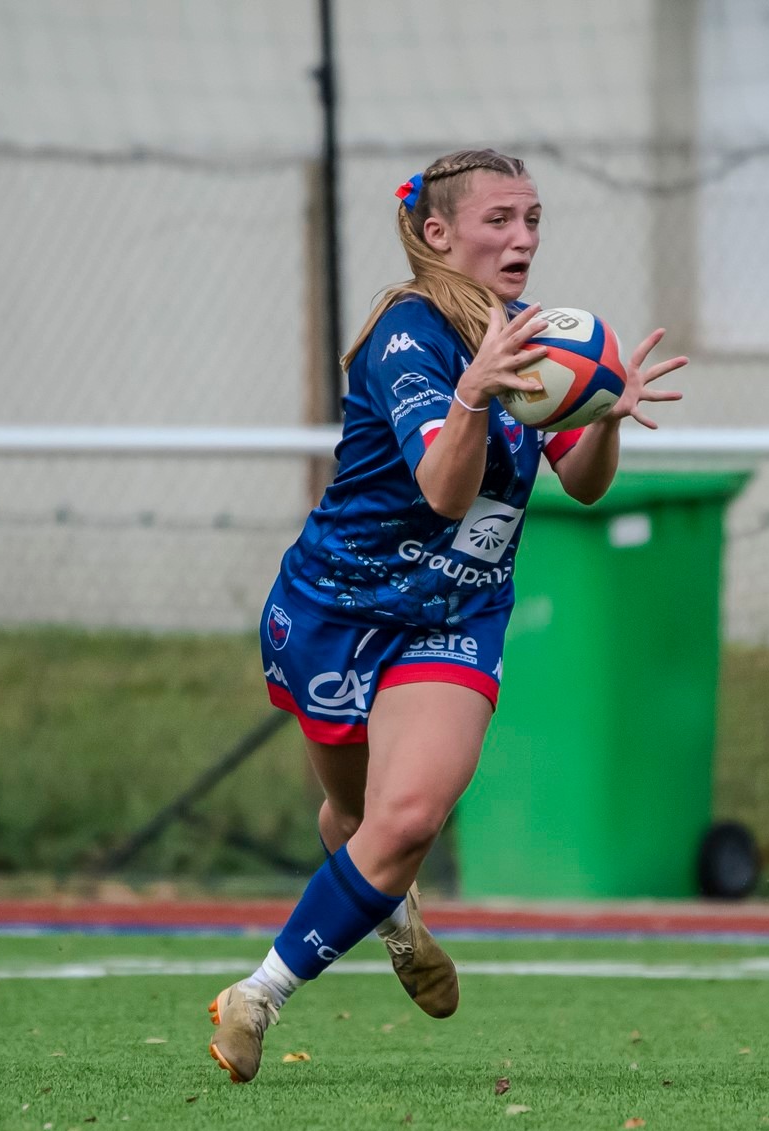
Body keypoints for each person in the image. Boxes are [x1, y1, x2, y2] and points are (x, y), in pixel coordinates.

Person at [208, 148, 686, 1083]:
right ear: (438, 234)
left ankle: (257, 995)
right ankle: (395, 917)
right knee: (353, 818)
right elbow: (440, 488)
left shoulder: (544, 337)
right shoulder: (409, 334)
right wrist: (474, 394)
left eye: (534, 218)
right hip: (336, 607)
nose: (523, 238)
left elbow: (582, 487)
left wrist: (606, 414)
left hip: (456, 615)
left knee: (412, 814)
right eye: (500, 219)